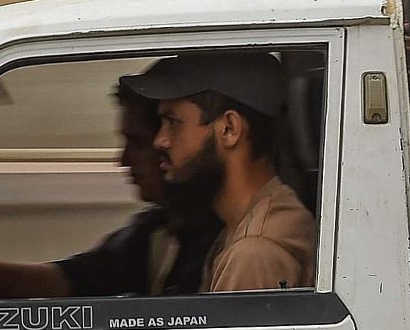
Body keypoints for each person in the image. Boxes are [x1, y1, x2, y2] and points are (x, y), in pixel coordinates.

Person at [0, 80, 224, 299]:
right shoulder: (157, 232)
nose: (123, 160)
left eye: (137, 142)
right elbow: (70, 280)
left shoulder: (220, 243)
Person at [127, 50, 316, 292]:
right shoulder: (250, 223)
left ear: (229, 129)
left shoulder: (253, 253)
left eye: (173, 123)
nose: (160, 141)